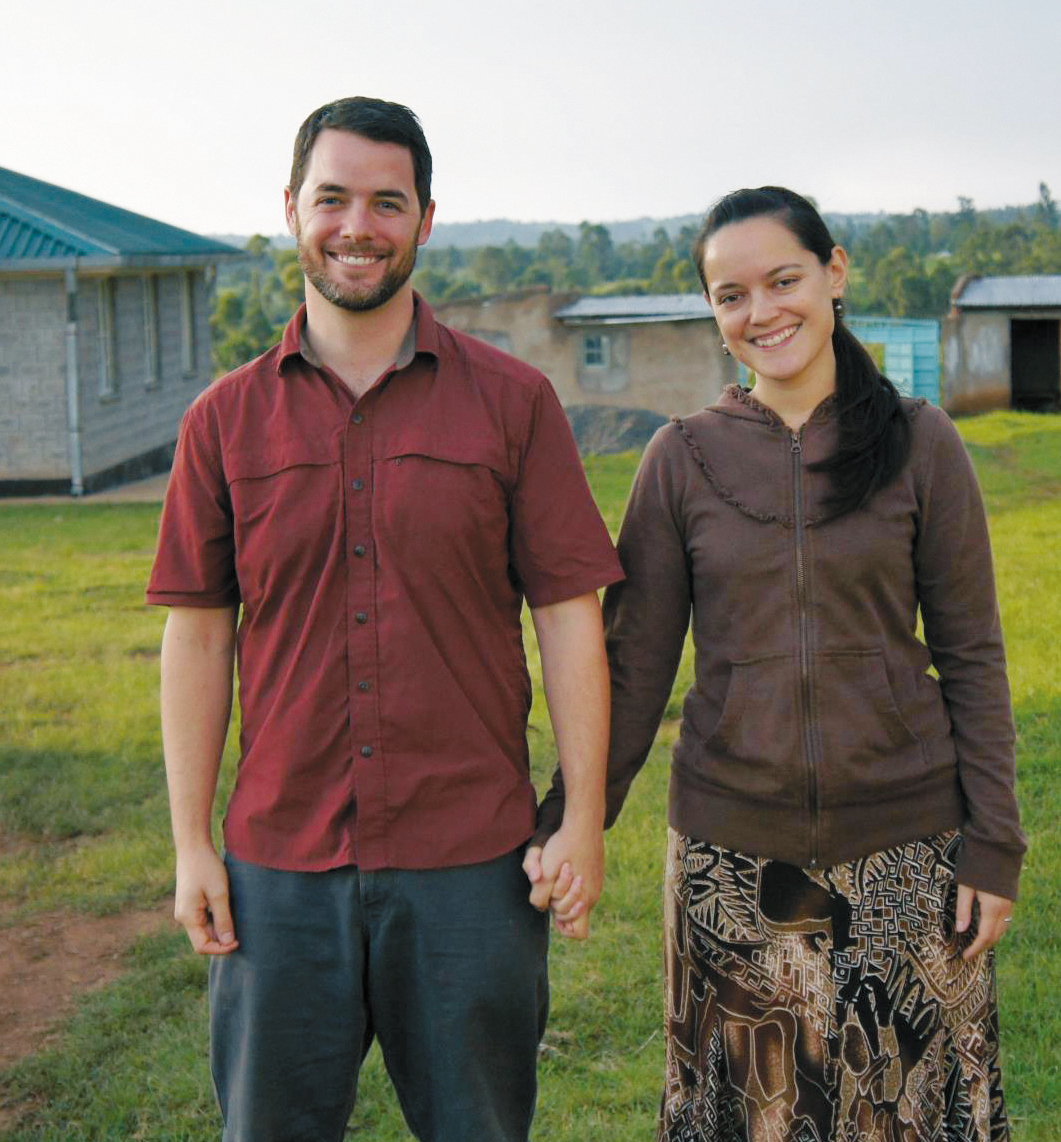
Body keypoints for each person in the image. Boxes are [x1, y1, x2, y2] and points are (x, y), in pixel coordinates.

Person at [146, 95, 622, 1142]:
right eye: (332, 198)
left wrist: (579, 813)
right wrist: (191, 843)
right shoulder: (222, 421)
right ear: (290, 209)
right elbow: (198, 632)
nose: (355, 225)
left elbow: (567, 614)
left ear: (424, 218)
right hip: (277, 871)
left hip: (470, 868)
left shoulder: (511, 402)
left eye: (385, 201)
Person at [535, 186, 1025, 1141]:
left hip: (907, 856)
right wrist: (570, 822)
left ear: (834, 274)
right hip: (731, 865)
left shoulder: (924, 444)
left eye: (782, 280)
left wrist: (993, 846)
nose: (761, 312)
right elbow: (633, 668)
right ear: (713, 315)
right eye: (730, 295)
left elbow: (971, 657)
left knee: (905, 1114)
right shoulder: (678, 461)